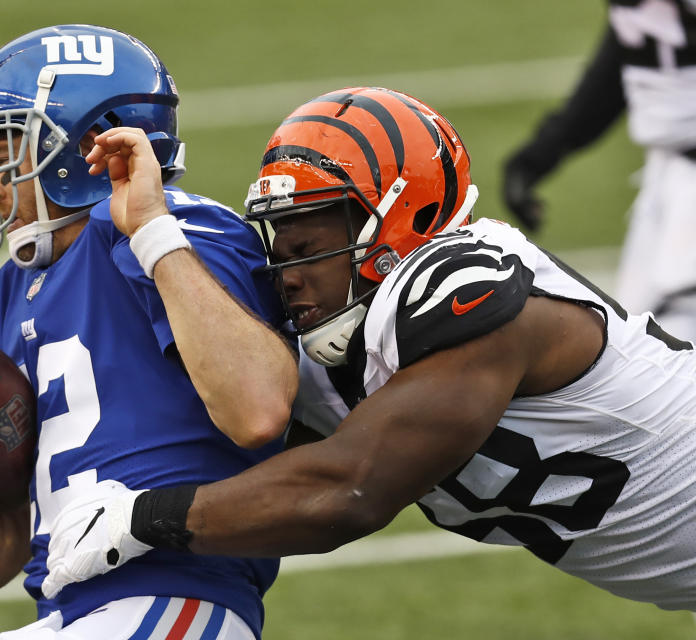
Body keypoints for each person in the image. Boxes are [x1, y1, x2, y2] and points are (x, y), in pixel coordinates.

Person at [41, 86, 696, 613]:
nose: (287, 274)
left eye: (305, 248)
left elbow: (347, 491)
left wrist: (142, 517)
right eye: (278, 249)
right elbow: (228, 431)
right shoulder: (347, 343)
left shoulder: (466, 286)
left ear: (400, 219)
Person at [0, 24, 298, 639]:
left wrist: (150, 231)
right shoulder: (16, 287)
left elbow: (258, 408)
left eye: (1, 159)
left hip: (174, 595)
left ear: (76, 148)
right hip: (65, 614)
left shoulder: (182, 228)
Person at [502, 0, 696, 340]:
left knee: (678, 329)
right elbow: (631, 48)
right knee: (639, 332)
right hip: (668, 171)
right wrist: (542, 153)